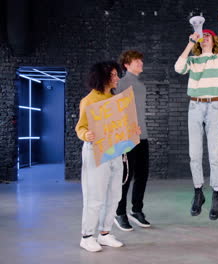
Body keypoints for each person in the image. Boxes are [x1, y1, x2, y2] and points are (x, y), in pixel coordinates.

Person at [174, 11, 218, 220]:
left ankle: (217, 195)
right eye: (202, 36)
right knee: (194, 154)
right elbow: (178, 68)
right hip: (195, 106)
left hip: (214, 107)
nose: (205, 38)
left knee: (214, 155)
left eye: (208, 36)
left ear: (214, 40)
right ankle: (198, 193)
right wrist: (189, 43)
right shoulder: (192, 61)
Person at [75, 61, 125, 252]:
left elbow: (120, 126)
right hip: (95, 151)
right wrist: (86, 135)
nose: (117, 78)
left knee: (114, 195)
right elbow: (81, 127)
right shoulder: (88, 101)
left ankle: (105, 233)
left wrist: (131, 131)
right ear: (103, 77)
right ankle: (87, 236)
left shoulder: (117, 99)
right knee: (94, 197)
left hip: (115, 151)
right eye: (114, 75)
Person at [114, 50, 151, 231]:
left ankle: (137, 210)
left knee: (142, 175)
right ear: (126, 65)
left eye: (141, 60)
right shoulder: (120, 84)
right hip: (126, 138)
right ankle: (119, 212)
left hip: (142, 137)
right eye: (136, 61)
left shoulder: (141, 85)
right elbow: (115, 113)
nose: (140, 63)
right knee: (126, 177)